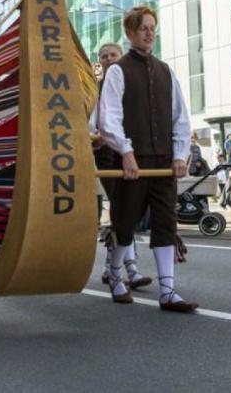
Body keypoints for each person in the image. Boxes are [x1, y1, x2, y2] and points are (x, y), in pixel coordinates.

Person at [98, 5, 196, 312]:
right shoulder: (118, 70)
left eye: (153, 27)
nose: (150, 32)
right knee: (125, 222)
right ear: (130, 33)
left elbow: (181, 117)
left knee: (165, 223)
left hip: (164, 162)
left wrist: (180, 154)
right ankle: (115, 276)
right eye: (143, 28)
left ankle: (167, 291)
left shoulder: (166, 71)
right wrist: (125, 151)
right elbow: (108, 119)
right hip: (133, 161)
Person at [90, 42, 152, 290]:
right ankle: (130, 270)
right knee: (125, 209)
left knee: (128, 212)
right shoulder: (96, 88)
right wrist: (96, 135)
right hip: (109, 156)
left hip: (134, 152)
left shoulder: (131, 81)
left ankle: (111, 267)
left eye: (112, 55)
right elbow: (92, 121)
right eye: (103, 56)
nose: (108, 59)